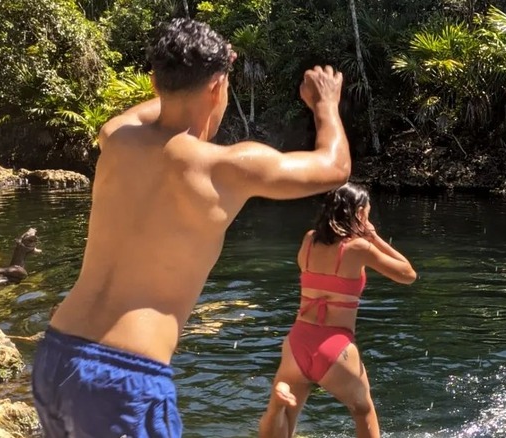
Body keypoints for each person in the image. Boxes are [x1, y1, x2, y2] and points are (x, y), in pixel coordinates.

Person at [31, 17, 351, 438]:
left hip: (57, 357)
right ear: (218, 87)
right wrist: (326, 105)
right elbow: (335, 167)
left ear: (154, 83)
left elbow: (157, 109)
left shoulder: (117, 138)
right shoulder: (222, 168)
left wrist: (192, 80)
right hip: (124, 377)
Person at [258, 183, 417, 438]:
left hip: (298, 340)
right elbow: (408, 274)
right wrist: (373, 237)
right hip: (335, 345)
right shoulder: (358, 248)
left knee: (287, 413)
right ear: (360, 214)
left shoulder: (309, 241)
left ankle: (276, 408)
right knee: (362, 409)